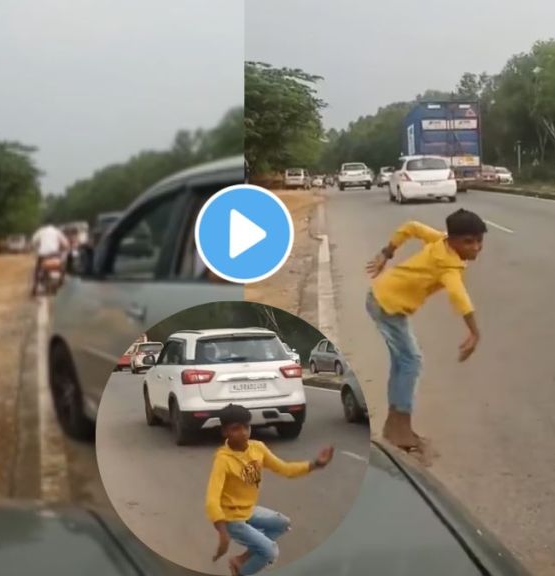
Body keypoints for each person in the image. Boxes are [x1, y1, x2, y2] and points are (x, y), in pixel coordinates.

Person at [364, 209, 487, 454]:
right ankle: (400, 429)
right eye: (468, 241)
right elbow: (458, 296)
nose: (476, 248)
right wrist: (474, 333)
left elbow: (411, 227)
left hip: (384, 299)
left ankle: (395, 426)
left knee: (403, 362)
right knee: (411, 361)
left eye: (479, 241)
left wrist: (387, 253)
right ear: (452, 240)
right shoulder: (449, 267)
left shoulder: (439, 240)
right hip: (387, 306)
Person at [207, 404, 334, 576]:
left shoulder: (257, 448)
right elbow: (212, 500)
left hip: (248, 511)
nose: (243, 432)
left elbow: (285, 469)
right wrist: (223, 533)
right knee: (270, 552)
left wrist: (315, 464)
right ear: (225, 432)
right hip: (231, 519)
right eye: (235, 429)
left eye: (246, 427)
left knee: (282, 524)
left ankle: (240, 561)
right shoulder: (223, 460)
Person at [30, 223, 69, 297]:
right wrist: (63, 249)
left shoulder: (41, 231)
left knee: (37, 269)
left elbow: (33, 241)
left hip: (43, 254)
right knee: (62, 266)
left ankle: (34, 288)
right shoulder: (57, 231)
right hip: (55, 254)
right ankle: (61, 280)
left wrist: (36, 249)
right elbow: (65, 244)